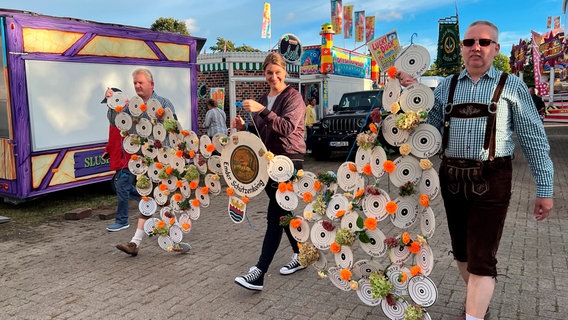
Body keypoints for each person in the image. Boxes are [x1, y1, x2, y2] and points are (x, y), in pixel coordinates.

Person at [397, 21, 554, 320]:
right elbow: (426, 131)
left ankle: (474, 314)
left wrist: (544, 190)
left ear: (496, 48)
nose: (476, 48)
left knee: (482, 258)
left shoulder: (512, 86)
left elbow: (534, 141)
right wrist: (408, 98)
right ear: (463, 49)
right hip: (452, 178)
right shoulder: (446, 85)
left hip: (493, 179)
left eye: (484, 42)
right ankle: (479, 300)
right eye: (469, 42)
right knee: (462, 254)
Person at [231, 52, 307, 291]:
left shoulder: (293, 97)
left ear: (285, 72)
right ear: (263, 74)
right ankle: (302, 254)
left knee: (274, 216)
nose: (273, 76)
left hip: (289, 162)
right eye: (269, 72)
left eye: (277, 72)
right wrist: (246, 127)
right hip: (269, 162)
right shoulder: (264, 98)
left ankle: (259, 273)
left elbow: (286, 128)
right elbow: (262, 136)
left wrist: (262, 110)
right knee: (284, 213)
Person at [110, 68, 185, 256]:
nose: (137, 86)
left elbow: (174, 129)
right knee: (152, 199)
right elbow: (116, 121)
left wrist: (163, 122)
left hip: (164, 161)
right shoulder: (130, 106)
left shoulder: (164, 103)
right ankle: (171, 237)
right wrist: (111, 103)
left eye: (140, 82)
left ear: (151, 84)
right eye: (135, 83)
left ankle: (144, 241)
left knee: (158, 199)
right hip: (144, 163)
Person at [101, 88, 141, 232]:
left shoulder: (128, 114)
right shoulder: (113, 117)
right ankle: (148, 201)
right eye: (107, 102)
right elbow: (114, 137)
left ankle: (122, 220)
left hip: (128, 159)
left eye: (109, 102)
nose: (108, 105)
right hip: (119, 157)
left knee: (122, 188)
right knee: (125, 187)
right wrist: (108, 150)